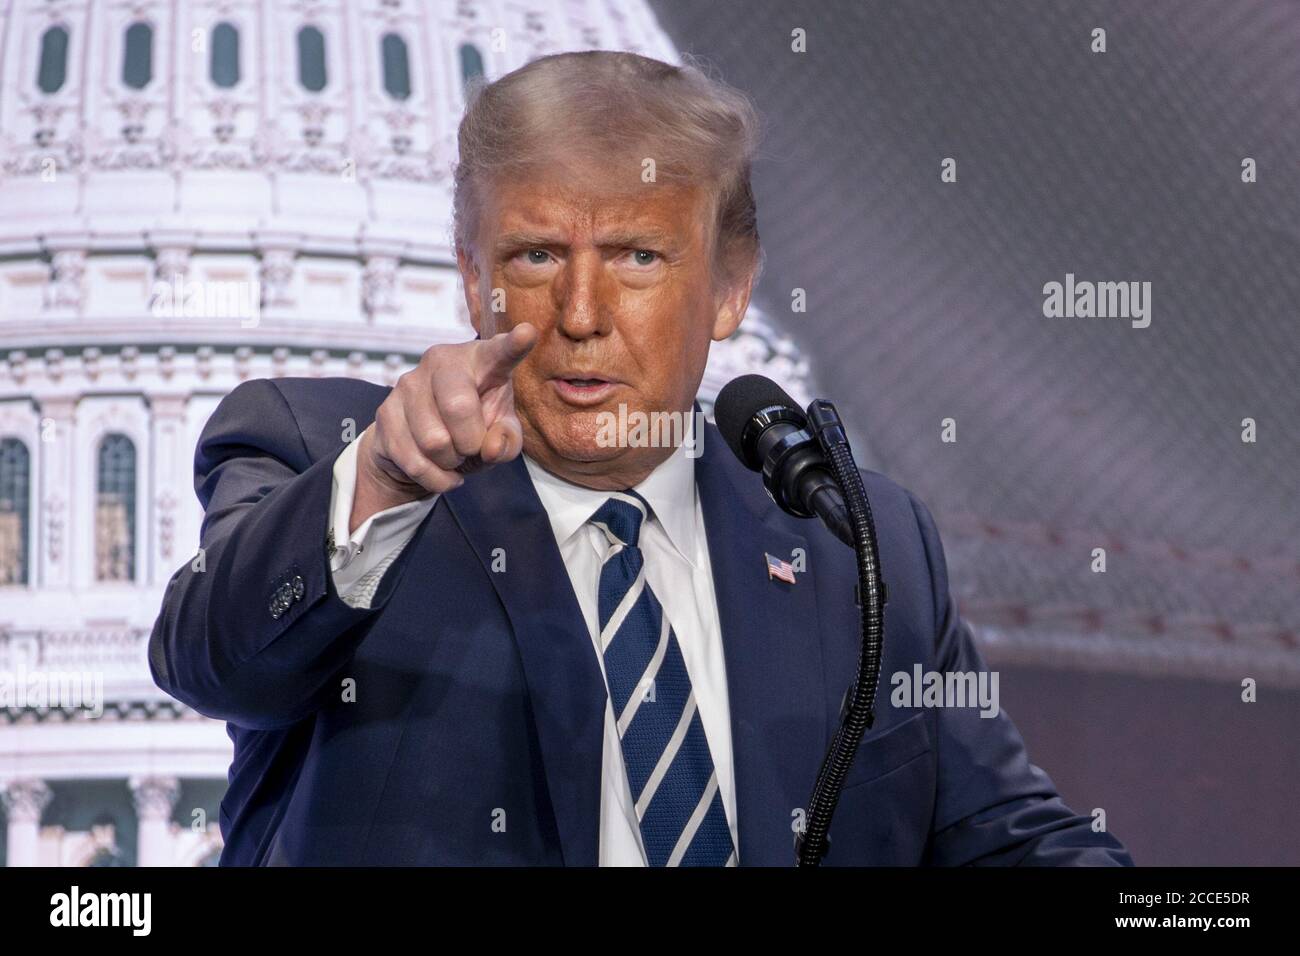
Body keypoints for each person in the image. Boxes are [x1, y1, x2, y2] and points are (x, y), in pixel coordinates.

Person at [149, 50, 1132, 867]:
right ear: (471, 279)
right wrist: (383, 481)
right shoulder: (323, 453)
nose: (580, 316)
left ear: (731, 289)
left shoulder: (855, 542)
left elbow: (1003, 841)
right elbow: (210, 656)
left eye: (637, 257)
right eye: (536, 255)